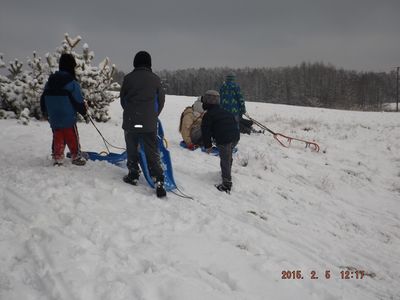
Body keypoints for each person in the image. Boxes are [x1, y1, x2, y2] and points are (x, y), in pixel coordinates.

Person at [120, 51, 166, 198]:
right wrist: (152, 116)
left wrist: (131, 113)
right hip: (148, 122)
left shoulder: (128, 79)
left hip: (131, 121)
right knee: (152, 151)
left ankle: (133, 174)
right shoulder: (155, 79)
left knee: (132, 148)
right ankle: (158, 179)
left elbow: (123, 100)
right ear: (149, 63)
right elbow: (161, 101)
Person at [40, 53, 88, 166]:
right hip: (68, 117)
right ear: (71, 66)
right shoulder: (72, 83)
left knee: (58, 135)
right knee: (72, 136)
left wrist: (44, 112)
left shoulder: (50, 81)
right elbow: (78, 101)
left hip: (54, 117)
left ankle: (57, 157)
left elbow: (43, 99)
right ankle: (76, 156)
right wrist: (84, 112)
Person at [201, 90, 240, 193]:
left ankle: (226, 184)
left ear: (207, 102)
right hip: (235, 137)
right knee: (228, 158)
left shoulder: (208, 115)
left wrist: (208, 146)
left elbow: (205, 132)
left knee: (225, 161)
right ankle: (227, 173)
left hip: (225, 139)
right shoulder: (225, 111)